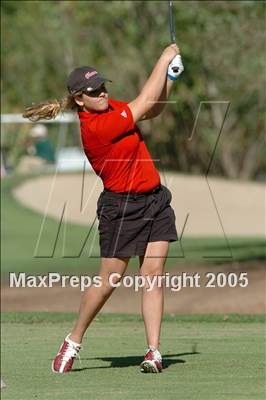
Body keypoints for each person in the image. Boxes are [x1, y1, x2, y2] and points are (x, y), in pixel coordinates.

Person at [23, 43, 184, 374]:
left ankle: (153, 351)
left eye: (104, 87)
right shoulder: (95, 127)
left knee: (152, 276)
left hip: (155, 199)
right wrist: (163, 58)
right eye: (94, 91)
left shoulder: (111, 110)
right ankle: (73, 339)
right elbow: (142, 103)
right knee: (110, 278)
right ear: (80, 99)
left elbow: (152, 109)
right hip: (121, 208)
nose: (102, 93)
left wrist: (170, 79)